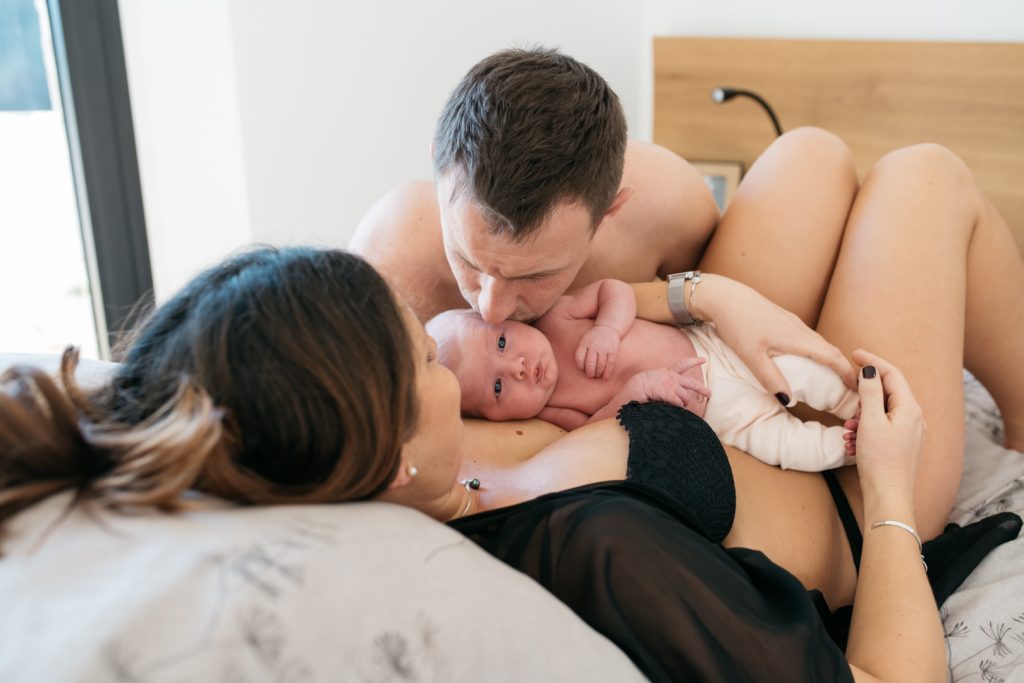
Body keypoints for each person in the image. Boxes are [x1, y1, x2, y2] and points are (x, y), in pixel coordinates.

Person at [3, 139, 1024, 680]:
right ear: (392, 446)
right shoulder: (601, 553)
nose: (449, 351)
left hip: (718, 381)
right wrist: (889, 493)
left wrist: (704, 297)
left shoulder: (390, 456)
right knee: (925, 179)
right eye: (425, 359)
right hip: (853, 480)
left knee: (814, 158)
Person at [349, 47, 861, 409]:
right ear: (437, 163)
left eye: (534, 277)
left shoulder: (667, 201)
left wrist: (711, 295)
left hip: (697, 386)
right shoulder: (391, 255)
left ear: (610, 210)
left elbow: (718, 327)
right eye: (468, 260)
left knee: (814, 151)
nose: (491, 307)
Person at [427, 278, 859, 471]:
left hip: (716, 350)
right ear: (496, 419)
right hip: (719, 416)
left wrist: (607, 329)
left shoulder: (558, 316)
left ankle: (856, 404)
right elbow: (595, 430)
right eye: (498, 386)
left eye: (501, 344)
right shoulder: (552, 412)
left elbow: (613, 290)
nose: (517, 367)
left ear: (506, 318)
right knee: (783, 446)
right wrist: (634, 391)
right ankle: (848, 448)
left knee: (802, 373)